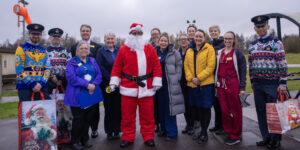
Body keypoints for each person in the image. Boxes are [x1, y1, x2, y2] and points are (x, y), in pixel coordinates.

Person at [109, 23, 162, 148]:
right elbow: (117, 67)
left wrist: (156, 82)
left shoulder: (150, 49)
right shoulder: (123, 50)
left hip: (146, 87)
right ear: (130, 34)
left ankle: (148, 136)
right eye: (134, 33)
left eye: (139, 33)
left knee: (148, 115)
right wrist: (113, 82)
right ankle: (128, 136)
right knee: (127, 116)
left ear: (142, 35)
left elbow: (156, 66)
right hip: (128, 87)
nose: (136, 35)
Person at [249, 15, 288, 149]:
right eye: (258, 27)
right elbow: (251, 64)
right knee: (261, 112)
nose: (260, 29)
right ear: (255, 28)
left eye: (262, 26)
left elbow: (282, 62)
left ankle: (275, 139)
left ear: (268, 27)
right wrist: (252, 81)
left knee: (274, 113)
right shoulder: (252, 45)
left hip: (272, 84)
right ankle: (266, 137)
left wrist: (283, 83)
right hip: (258, 84)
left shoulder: (276, 43)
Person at [64, 41, 103, 150]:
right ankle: (75, 140)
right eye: (81, 48)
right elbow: (72, 78)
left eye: (86, 48)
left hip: (90, 94)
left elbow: (99, 75)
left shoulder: (92, 60)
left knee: (88, 118)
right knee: (79, 119)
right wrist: (87, 85)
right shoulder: (72, 62)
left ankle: (84, 139)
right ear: (77, 50)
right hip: (77, 95)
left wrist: (94, 84)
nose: (84, 50)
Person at [184, 29, 216, 144]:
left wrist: (199, 78)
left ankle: (204, 132)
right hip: (192, 84)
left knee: (205, 109)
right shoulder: (189, 50)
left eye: (200, 36)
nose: (198, 38)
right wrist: (191, 78)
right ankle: (200, 131)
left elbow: (211, 66)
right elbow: (186, 66)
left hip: (205, 84)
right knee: (196, 109)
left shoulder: (209, 49)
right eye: (196, 36)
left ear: (204, 38)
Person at [215, 31, 247, 145]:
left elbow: (243, 70)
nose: (227, 41)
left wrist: (242, 87)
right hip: (221, 85)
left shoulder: (237, 53)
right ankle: (229, 131)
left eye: (230, 39)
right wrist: (216, 84)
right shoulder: (220, 52)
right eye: (226, 38)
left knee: (235, 110)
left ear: (234, 40)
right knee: (224, 110)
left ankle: (236, 135)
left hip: (233, 84)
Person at [70, 24, 102, 138]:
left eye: (87, 31)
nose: (85, 32)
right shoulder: (74, 47)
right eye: (83, 31)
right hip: (80, 86)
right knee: (81, 112)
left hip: (93, 86)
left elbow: (98, 68)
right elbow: (72, 68)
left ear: (90, 32)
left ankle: (94, 129)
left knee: (93, 110)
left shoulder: (97, 47)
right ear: (80, 32)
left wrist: (94, 84)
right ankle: (81, 135)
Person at [155, 33, 184, 141]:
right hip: (158, 85)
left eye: (165, 41)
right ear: (158, 42)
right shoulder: (154, 51)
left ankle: (171, 132)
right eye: (161, 41)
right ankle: (163, 130)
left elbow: (179, 66)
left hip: (170, 85)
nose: (163, 43)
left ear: (168, 42)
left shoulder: (174, 52)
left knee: (170, 109)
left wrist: (176, 78)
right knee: (161, 108)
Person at [15, 23, 51, 101]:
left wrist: (41, 83)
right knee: (27, 112)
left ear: (41, 35)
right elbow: (19, 70)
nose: (36, 36)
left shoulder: (44, 51)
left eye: (38, 34)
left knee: (44, 112)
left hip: (41, 87)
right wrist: (32, 84)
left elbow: (48, 69)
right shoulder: (21, 49)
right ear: (29, 34)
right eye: (33, 34)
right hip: (25, 87)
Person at [96, 32, 121, 140]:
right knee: (109, 106)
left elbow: (124, 64)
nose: (110, 40)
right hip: (108, 84)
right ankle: (109, 131)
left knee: (118, 107)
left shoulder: (119, 50)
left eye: (112, 38)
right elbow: (100, 67)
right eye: (108, 39)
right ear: (105, 40)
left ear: (114, 40)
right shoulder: (101, 51)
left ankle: (117, 131)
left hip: (119, 84)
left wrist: (119, 79)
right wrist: (112, 79)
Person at [208, 25, 225, 135]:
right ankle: (217, 125)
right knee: (216, 104)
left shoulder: (223, 44)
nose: (213, 33)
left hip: (221, 77)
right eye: (211, 31)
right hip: (212, 77)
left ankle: (223, 126)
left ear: (219, 32)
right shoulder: (209, 44)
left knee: (222, 103)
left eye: (215, 31)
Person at [46, 28, 72, 94]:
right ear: (50, 38)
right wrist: (51, 77)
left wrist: (61, 79)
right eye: (54, 36)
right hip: (49, 82)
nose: (56, 38)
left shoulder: (67, 51)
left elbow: (70, 66)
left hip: (63, 82)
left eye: (58, 36)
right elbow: (44, 66)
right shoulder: (45, 51)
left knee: (63, 103)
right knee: (50, 103)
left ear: (61, 38)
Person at [178, 33, 194, 135]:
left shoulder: (192, 51)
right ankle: (188, 125)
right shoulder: (176, 53)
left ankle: (192, 125)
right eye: (181, 39)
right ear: (179, 41)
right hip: (181, 83)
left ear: (188, 41)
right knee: (185, 106)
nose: (183, 41)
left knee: (191, 105)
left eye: (185, 39)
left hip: (190, 82)